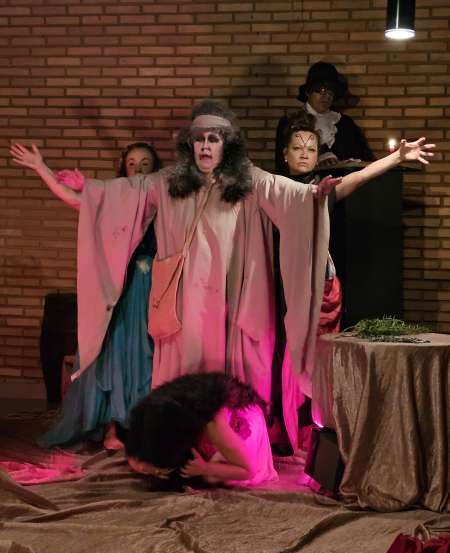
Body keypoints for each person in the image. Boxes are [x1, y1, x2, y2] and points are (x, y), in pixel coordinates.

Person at [10, 99, 351, 454]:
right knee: (185, 377)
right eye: (199, 138)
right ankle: (178, 449)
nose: (205, 145)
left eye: (214, 139)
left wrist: (349, 181)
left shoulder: (250, 180)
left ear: (227, 144)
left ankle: (231, 452)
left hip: (232, 308)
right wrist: (43, 171)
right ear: (190, 143)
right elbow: (94, 204)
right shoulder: (166, 183)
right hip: (184, 308)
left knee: (230, 381)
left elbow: (305, 199)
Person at [275, 109, 434, 450]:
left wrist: (396, 158)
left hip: (320, 289)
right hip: (282, 287)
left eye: (311, 149)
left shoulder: (321, 190)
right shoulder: (270, 189)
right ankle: (285, 430)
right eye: (297, 148)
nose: (304, 154)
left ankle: (312, 436)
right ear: (285, 154)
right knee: (281, 359)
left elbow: (358, 178)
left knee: (315, 363)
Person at [27, 142, 161, 449]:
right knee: (113, 351)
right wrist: (40, 167)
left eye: (145, 163)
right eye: (132, 163)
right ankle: (112, 427)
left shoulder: (163, 200)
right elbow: (73, 198)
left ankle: (142, 427)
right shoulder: (113, 201)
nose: (138, 169)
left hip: (154, 289)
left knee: (148, 355)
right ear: (123, 168)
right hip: (121, 289)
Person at [126, 371, 278, 489]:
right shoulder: (147, 416)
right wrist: (152, 469)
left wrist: (206, 469)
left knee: (211, 476)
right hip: (202, 414)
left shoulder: (214, 423)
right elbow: (134, 458)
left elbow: (249, 471)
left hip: (242, 421)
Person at [275, 61, 374, 174]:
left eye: (331, 92)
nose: (326, 97)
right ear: (308, 92)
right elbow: (283, 165)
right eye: (321, 90)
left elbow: (365, 158)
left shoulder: (345, 123)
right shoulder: (290, 122)